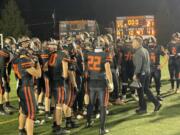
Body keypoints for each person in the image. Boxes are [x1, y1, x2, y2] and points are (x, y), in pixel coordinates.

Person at [85, 37, 113, 135]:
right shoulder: (105, 54)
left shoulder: (89, 54)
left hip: (92, 82)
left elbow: (87, 69)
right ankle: (102, 129)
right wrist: (111, 82)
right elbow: (108, 69)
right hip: (101, 82)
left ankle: (88, 122)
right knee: (103, 106)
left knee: (91, 103)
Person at [132, 36, 162, 114]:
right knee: (146, 89)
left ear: (138, 43)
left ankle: (143, 108)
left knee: (140, 91)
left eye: (133, 42)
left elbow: (139, 65)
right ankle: (157, 103)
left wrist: (135, 74)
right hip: (147, 72)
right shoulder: (145, 50)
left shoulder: (138, 52)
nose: (132, 44)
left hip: (141, 74)